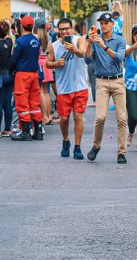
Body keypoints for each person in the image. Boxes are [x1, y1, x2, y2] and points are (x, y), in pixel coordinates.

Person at [84, 12, 128, 164]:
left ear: (112, 24)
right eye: (101, 23)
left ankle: (121, 152)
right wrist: (90, 43)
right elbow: (87, 59)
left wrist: (104, 47)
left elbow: (120, 57)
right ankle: (96, 146)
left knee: (122, 118)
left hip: (117, 81)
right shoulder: (95, 40)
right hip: (101, 81)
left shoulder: (120, 39)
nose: (103, 26)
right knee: (100, 117)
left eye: (106, 23)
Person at [46, 18, 88, 160]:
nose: (64, 31)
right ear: (58, 31)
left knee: (78, 116)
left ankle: (77, 147)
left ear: (72, 29)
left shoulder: (79, 39)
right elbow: (48, 64)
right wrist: (56, 63)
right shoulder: (54, 45)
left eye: (67, 29)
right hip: (63, 88)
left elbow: (82, 53)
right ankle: (66, 141)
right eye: (62, 29)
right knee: (64, 118)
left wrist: (73, 49)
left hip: (80, 86)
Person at [8, 16, 44, 141]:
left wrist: (10, 70)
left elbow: (14, 59)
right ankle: (38, 131)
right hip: (34, 74)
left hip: (22, 75)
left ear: (21, 26)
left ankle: (25, 132)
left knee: (22, 103)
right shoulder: (36, 40)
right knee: (34, 103)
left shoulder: (20, 41)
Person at [35, 23, 55, 126]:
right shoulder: (49, 40)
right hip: (47, 64)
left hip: (39, 64)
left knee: (41, 91)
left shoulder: (35, 39)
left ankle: (45, 117)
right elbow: (52, 55)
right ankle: (48, 115)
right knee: (46, 91)